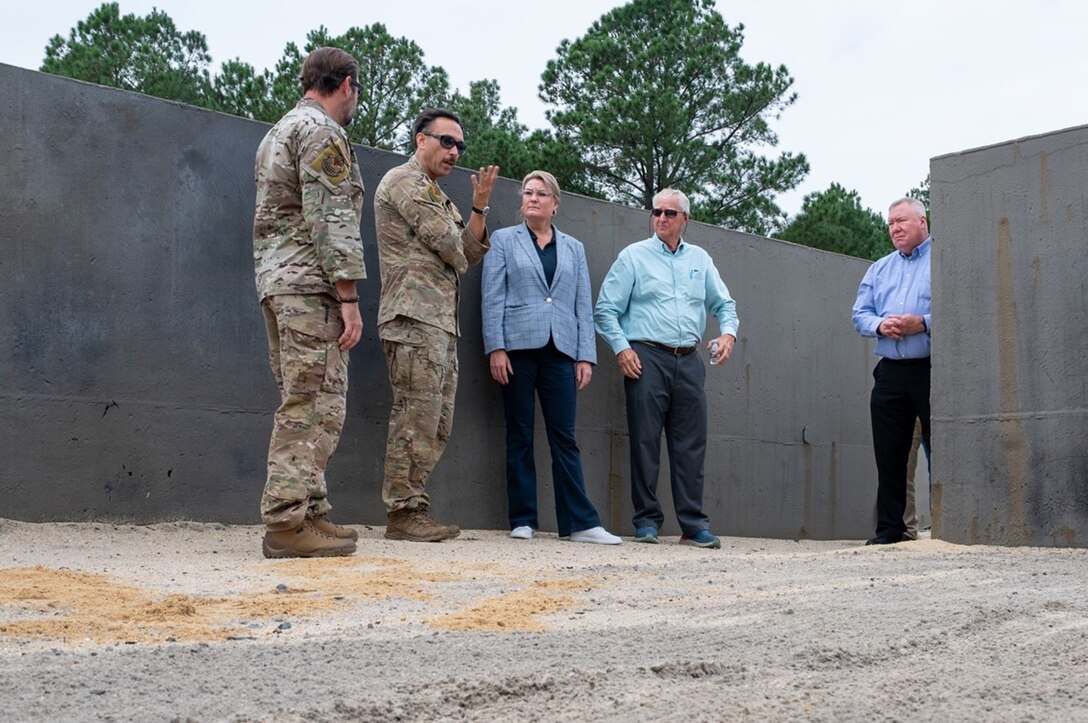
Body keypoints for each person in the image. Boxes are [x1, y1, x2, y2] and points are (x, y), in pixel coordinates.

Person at [252, 47, 366, 558]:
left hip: (278, 283)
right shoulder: (323, 132)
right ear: (345, 84)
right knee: (313, 402)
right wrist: (349, 295)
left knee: (310, 396)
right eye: (356, 90)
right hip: (308, 287)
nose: (355, 100)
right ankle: (284, 523)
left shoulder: (277, 131)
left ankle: (310, 509)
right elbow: (331, 216)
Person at [374, 108, 499, 542]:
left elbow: (471, 249)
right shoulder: (405, 182)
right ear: (420, 140)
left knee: (436, 421)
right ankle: (403, 512)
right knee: (415, 416)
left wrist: (479, 207)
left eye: (460, 145)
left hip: (438, 322)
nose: (454, 152)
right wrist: (471, 223)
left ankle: (413, 506)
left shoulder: (436, 194)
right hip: (413, 318)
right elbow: (454, 247)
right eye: (446, 141)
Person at [481, 170, 622, 545]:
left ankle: (579, 523)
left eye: (541, 194)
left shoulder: (573, 248)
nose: (532, 198)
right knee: (520, 434)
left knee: (565, 437)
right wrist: (495, 346)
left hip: (562, 351)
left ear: (555, 204)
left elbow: (582, 306)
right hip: (516, 350)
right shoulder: (503, 240)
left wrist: (585, 356)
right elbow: (491, 297)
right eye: (527, 193)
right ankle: (523, 519)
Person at [594, 189, 738, 549]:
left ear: (685, 220)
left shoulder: (701, 260)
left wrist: (728, 335)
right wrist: (621, 348)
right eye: (656, 212)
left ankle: (692, 525)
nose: (661, 218)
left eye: (670, 213)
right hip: (646, 356)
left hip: (689, 360)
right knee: (645, 441)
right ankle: (646, 522)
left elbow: (724, 304)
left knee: (691, 445)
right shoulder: (633, 257)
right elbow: (605, 309)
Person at [852, 197, 932, 545]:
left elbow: (962, 307)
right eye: (890, 223)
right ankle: (891, 529)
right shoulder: (879, 268)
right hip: (890, 371)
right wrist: (881, 325)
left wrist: (924, 323)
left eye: (901, 221)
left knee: (940, 449)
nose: (895, 228)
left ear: (922, 223)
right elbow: (860, 314)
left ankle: (947, 527)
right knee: (890, 453)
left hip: (933, 369)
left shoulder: (942, 260)